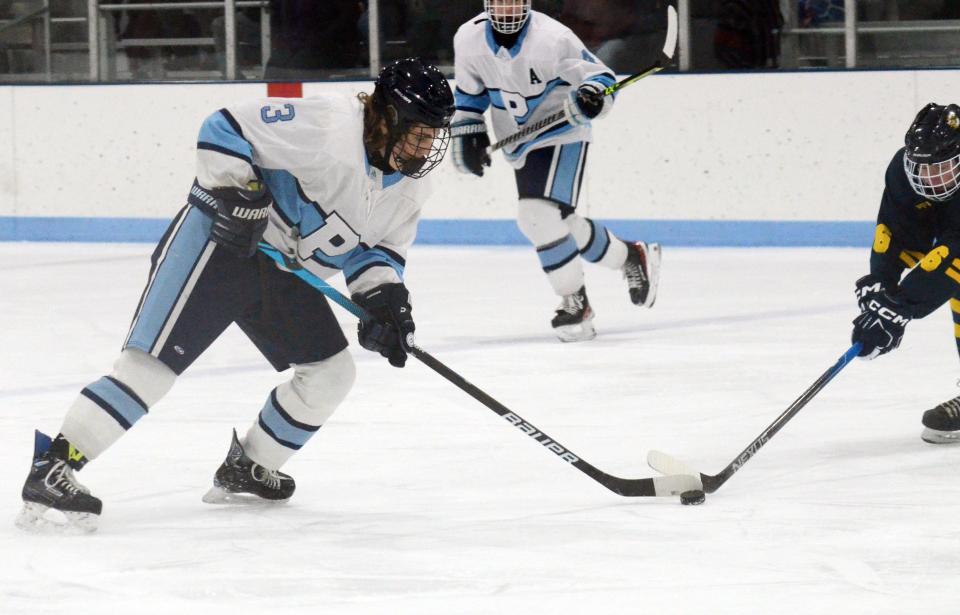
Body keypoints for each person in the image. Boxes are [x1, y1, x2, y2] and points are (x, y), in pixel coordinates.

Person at [17, 57, 455, 533]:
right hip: (222, 245)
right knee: (151, 368)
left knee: (332, 374)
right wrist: (241, 191)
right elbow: (222, 127)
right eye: (418, 132)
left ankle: (247, 466)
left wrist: (385, 303)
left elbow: (375, 253)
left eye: (433, 136)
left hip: (286, 272)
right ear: (385, 117)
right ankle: (55, 465)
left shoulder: (411, 188)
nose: (425, 147)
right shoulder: (328, 124)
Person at [450, 0, 661, 342]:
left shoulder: (551, 38)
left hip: (562, 132)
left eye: (513, 2)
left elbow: (600, 78)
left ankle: (575, 301)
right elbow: (469, 96)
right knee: (557, 223)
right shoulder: (468, 39)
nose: (506, 10)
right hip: (518, 142)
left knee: (535, 216)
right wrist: (468, 128)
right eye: (500, 3)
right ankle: (630, 256)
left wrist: (592, 95)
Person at [850, 102, 960, 444]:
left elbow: (953, 255)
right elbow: (895, 233)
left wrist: (901, 307)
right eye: (922, 168)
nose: (930, 178)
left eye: (941, 168)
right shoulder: (901, 172)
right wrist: (881, 290)